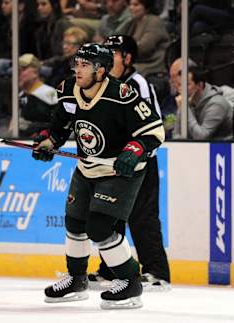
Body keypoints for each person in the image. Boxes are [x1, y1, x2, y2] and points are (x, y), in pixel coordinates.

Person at [32, 43, 165, 309]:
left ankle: (130, 283)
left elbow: (154, 131)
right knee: (74, 223)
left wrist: (135, 150)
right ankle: (76, 280)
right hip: (87, 167)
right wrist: (49, 142)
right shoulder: (68, 90)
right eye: (77, 64)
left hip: (120, 170)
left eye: (85, 65)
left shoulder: (123, 95)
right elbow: (61, 124)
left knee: (100, 227)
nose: (78, 70)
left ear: (101, 70)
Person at [85, 34, 170, 290]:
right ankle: (111, 270)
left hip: (140, 164)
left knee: (142, 217)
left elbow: (147, 128)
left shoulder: (138, 84)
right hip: (113, 163)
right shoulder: (106, 86)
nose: (108, 59)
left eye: (114, 54)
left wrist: (131, 153)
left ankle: (157, 272)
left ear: (128, 58)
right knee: (109, 217)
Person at [173, 67, 233, 140]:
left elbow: (201, 137)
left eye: (187, 84)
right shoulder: (187, 100)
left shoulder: (217, 104)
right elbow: (176, 135)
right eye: (180, 84)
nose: (181, 89)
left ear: (199, 85)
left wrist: (185, 109)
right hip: (196, 148)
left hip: (221, 148)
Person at [18, 53, 58, 137]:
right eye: (18, 69)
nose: (19, 73)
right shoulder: (20, 95)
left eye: (23, 69)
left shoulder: (50, 94)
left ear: (35, 72)